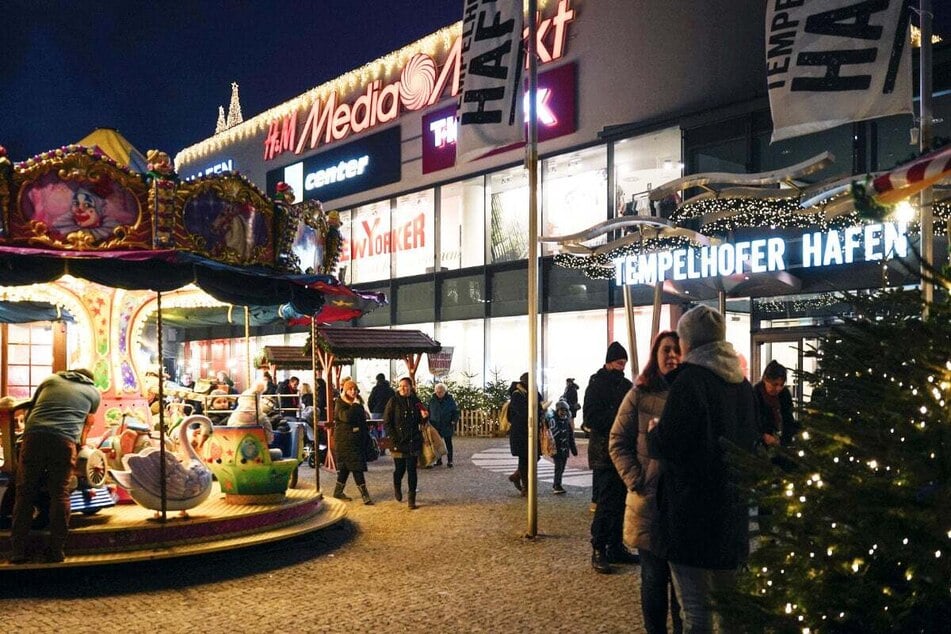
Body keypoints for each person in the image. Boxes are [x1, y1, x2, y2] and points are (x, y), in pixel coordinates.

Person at [647, 305, 759, 632]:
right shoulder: (741, 386)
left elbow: (669, 445)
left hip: (691, 515)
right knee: (730, 606)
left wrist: (655, 431)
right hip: (732, 513)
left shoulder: (690, 381)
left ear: (689, 343)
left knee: (696, 611)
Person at [610, 331, 683, 634]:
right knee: (653, 580)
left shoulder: (691, 392)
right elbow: (617, 441)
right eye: (666, 350)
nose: (672, 355)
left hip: (682, 502)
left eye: (678, 350)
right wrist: (635, 479)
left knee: (682, 585)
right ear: (656, 355)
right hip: (649, 501)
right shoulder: (639, 393)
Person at [8, 369, 101, 564]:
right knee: (60, 493)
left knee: (24, 493)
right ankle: (55, 551)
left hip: (34, 436)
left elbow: (31, 408)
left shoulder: (51, 379)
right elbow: (87, 421)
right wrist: (80, 443)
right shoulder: (93, 392)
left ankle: (17, 551)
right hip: (64, 440)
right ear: (90, 380)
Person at [586, 341, 639, 574]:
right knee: (606, 502)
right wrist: (618, 418)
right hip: (604, 453)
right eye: (619, 362)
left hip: (623, 451)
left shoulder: (626, 385)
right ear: (609, 362)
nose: (622, 366)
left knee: (620, 501)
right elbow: (590, 418)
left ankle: (616, 546)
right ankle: (599, 547)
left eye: (624, 363)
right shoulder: (596, 385)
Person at [383, 377, 427, 509]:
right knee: (400, 469)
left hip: (413, 440)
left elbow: (422, 421)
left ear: (411, 387)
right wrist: (393, 437)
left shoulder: (416, 401)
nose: (403, 388)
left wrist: (425, 417)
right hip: (398, 441)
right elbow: (387, 421)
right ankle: (397, 486)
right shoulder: (393, 401)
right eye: (401, 386)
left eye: (406, 386)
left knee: (412, 470)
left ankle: (411, 499)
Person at [331, 378, 374, 505]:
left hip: (356, 440)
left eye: (355, 389)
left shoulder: (357, 403)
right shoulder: (340, 403)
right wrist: (355, 405)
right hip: (345, 441)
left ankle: (338, 492)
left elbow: (362, 419)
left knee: (345, 468)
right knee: (356, 467)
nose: (353, 391)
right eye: (350, 389)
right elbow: (346, 417)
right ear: (345, 390)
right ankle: (365, 495)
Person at [506, 372, 544, 496]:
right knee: (524, 458)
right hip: (521, 432)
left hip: (531, 430)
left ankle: (517, 476)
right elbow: (523, 412)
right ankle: (526, 488)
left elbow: (538, 404)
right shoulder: (517, 394)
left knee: (535, 456)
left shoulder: (532, 392)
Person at [754, 360, 798, 448]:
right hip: (762, 445)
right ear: (765, 379)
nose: (778, 388)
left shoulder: (784, 394)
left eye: (781, 385)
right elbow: (752, 421)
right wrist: (763, 435)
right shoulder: (755, 394)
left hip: (782, 442)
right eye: (774, 384)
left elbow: (788, 417)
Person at [51, 185, 120, 241]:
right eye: (76, 203)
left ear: (100, 209)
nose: (80, 209)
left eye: (87, 205)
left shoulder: (111, 230)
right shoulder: (65, 225)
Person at [548, 400, 578, 494]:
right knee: (559, 467)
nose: (563, 412)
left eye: (565, 410)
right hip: (556, 450)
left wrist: (573, 449)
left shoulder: (566, 423)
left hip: (564, 451)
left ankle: (557, 484)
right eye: (561, 410)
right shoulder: (554, 422)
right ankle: (557, 485)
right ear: (557, 411)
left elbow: (570, 437)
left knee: (562, 468)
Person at [427, 382, 459, 468]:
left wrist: (453, 420)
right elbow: (429, 411)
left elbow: (455, 412)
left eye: (441, 391)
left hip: (447, 424)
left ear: (445, 391)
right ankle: (438, 460)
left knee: (448, 443)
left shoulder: (450, 400)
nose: (439, 393)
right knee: (437, 444)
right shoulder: (432, 400)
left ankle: (450, 460)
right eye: (437, 391)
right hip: (435, 425)